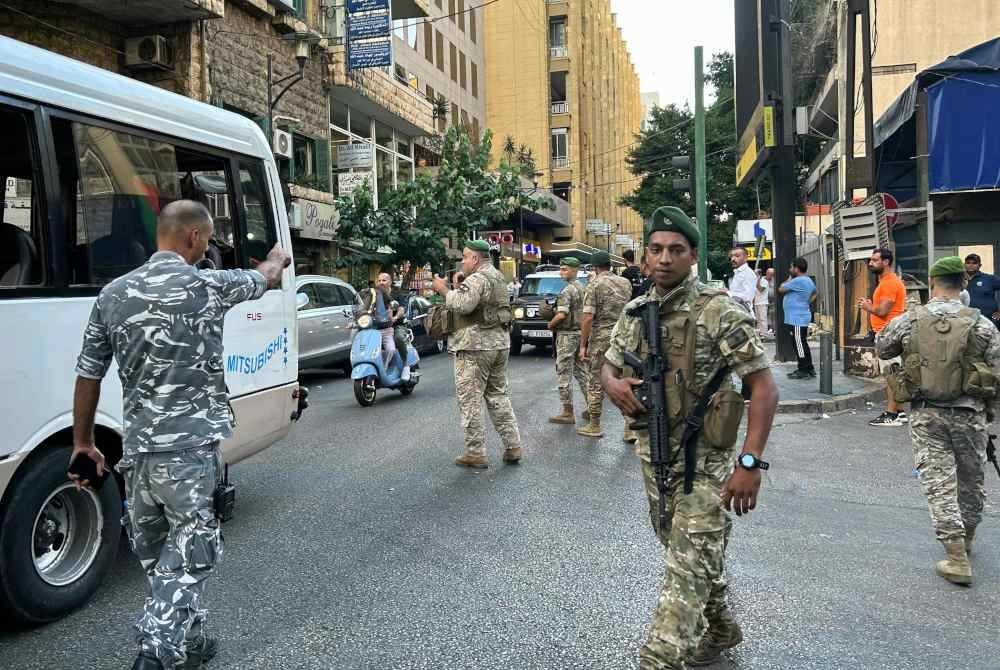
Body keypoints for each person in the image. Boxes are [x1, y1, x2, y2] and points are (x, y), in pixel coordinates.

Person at [69, 200, 290, 670]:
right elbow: (267, 277)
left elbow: (88, 373)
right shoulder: (208, 284)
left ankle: (191, 640)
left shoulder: (112, 294)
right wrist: (278, 256)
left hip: (139, 455)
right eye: (207, 239)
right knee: (191, 556)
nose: (207, 247)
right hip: (189, 454)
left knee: (159, 559)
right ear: (193, 237)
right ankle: (155, 650)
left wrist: (82, 442)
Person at [601, 206, 778, 669]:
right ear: (644, 257)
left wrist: (749, 463)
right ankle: (721, 628)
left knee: (682, 574)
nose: (664, 259)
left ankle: (659, 659)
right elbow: (609, 362)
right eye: (656, 249)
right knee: (686, 554)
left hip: (707, 465)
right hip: (655, 457)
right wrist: (612, 384)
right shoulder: (637, 311)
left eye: (675, 250)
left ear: (693, 255)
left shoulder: (718, 310)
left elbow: (763, 387)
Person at [877, 256, 1000, 585]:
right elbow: (997, 373)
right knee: (971, 480)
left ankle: (956, 555)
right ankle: (968, 537)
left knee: (939, 483)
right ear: (964, 283)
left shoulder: (911, 319)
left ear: (932, 282)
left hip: (927, 413)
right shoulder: (982, 324)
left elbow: (883, 348)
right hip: (970, 413)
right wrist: (989, 416)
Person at [431, 240, 522, 468]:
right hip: (499, 343)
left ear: (475, 259)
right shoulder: (498, 276)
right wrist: (460, 285)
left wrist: (443, 289)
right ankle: (513, 446)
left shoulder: (477, 278)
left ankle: (475, 451)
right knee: (498, 395)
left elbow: (463, 306)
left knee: (470, 399)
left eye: (465, 257)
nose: (462, 261)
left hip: (475, 345)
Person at [577, 251, 632, 438]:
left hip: (601, 338)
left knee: (595, 381)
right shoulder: (625, 283)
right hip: (624, 337)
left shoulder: (594, 285)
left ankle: (594, 425)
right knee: (623, 380)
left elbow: (587, 317)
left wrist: (583, 345)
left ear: (594, 267)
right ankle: (629, 429)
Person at [860, 247, 908, 426]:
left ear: (886, 262)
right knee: (893, 374)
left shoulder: (889, 283)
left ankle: (891, 414)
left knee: (891, 376)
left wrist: (868, 306)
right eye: (871, 260)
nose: (870, 263)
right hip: (888, 333)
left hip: (889, 334)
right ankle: (900, 412)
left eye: (874, 260)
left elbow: (882, 311)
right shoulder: (886, 281)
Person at [547, 257, 590, 426]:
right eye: (561, 269)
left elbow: (561, 314)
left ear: (574, 270)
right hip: (580, 333)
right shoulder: (583, 288)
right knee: (581, 372)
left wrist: (550, 325)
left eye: (564, 269)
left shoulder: (567, 291)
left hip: (566, 335)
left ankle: (567, 411)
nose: (561, 272)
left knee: (563, 372)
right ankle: (592, 407)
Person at [360, 272, 410, 381]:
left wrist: (395, 317)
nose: (381, 282)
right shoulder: (375, 294)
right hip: (378, 327)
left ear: (390, 282)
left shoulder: (397, 293)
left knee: (398, 338)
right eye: (379, 280)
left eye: (384, 280)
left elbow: (401, 309)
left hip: (397, 325)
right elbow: (366, 308)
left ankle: (406, 365)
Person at [779, 257, 817, 379]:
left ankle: (803, 369)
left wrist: (790, 277)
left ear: (796, 268)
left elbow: (781, 288)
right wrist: (806, 302)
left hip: (797, 319)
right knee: (802, 343)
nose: (790, 269)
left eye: (791, 267)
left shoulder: (798, 280)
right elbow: (815, 293)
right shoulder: (808, 280)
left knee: (799, 344)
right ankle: (809, 368)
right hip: (800, 316)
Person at [964, 253, 1000, 329]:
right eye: (968, 263)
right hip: (966, 323)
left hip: (989, 323)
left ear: (979, 265)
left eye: (974, 263)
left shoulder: (989, 279)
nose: (971, 265)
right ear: (964, 265)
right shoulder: (959, 280)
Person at [727, 246, 756, 313]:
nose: (732, 259)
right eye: (731, 256)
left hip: (743, 315)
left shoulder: (748, 273)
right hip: (737, 312)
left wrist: (727, 293)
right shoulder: (738, 272)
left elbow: (748, 297)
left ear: (746, 258)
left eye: (737, 256)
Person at [753, 268, 770, 338]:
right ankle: (760, 333)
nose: (754, 275)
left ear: (759, 275)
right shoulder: (754, 281)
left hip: (763, 302)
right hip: (756, 302)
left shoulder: (764, 281)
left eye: (756, 274)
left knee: (763, 319)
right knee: (758, 319)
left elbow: (760, 289)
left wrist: (758, 281)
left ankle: (764, 334)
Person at [765, 267, 776, 335]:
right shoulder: (763, 279)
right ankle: (769, 328)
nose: (770, 275)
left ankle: (773, 328)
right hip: (764, 300)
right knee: (765, 315)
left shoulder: (775, 281)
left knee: (773, 314)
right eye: (769, 274)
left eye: (772, 274)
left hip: (773, 300)